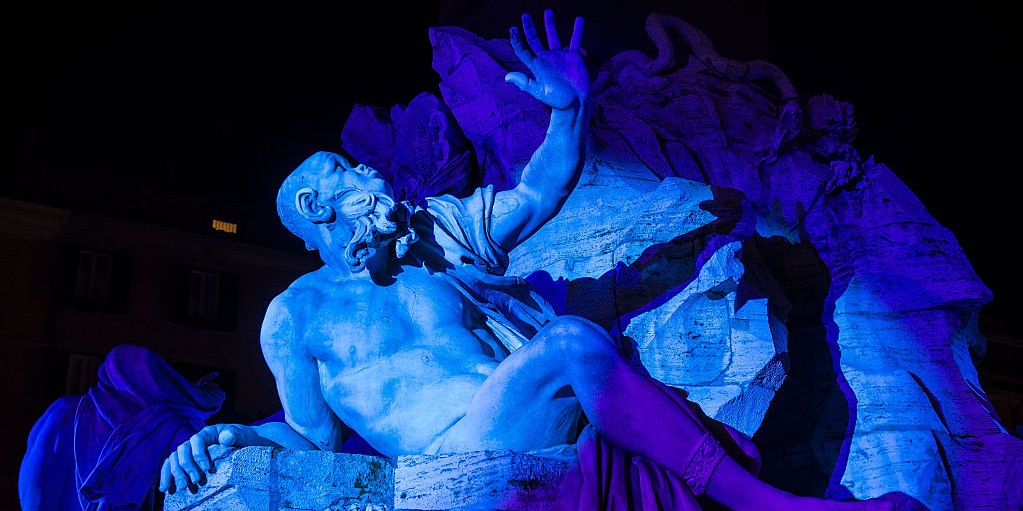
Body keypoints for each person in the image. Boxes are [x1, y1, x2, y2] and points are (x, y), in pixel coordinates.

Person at [160, 10, 895, 510]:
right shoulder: (296, 313)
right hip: (443, 459)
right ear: (317, 206)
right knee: (571, 341)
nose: (367, 171)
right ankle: (766, 505)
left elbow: (540, 192)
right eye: (346, 171)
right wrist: (234, 435)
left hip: (528, 419)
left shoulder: (436, 234)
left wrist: (569, 109)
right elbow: (311, 433)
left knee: (589, 363)